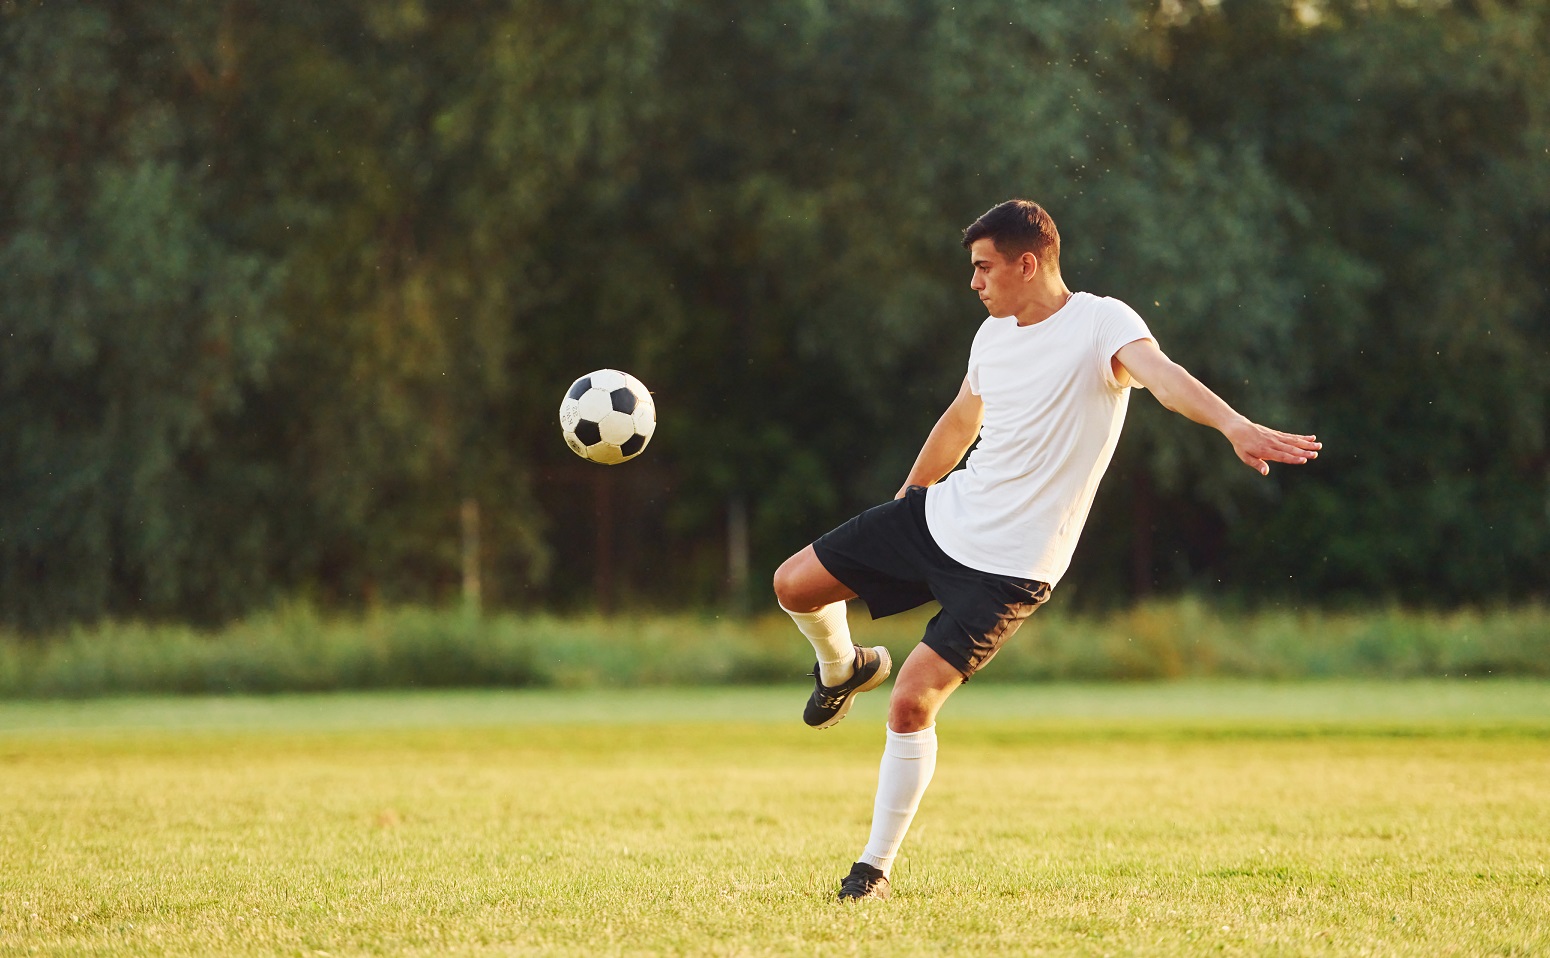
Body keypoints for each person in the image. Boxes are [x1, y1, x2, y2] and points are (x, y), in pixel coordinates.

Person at [771, 199, 1321, 901]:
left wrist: (1232, 424)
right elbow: (962, 418)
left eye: (983, 267)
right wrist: (909, 496)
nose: (974, 282)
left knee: (911, 705)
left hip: (1012, 568)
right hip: (941, 516)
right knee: (793, 585)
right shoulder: (992, 335)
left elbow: (1163, 377)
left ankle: (871, 872)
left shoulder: (1102, 322)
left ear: (1028, 263)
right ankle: (843, 667)